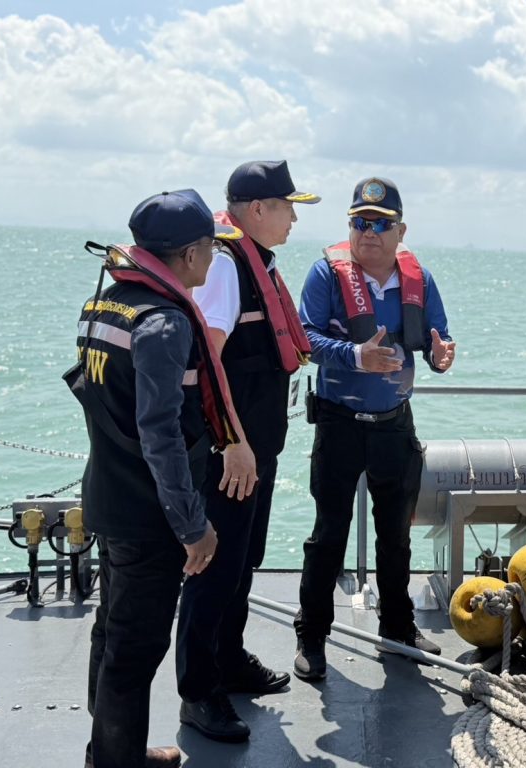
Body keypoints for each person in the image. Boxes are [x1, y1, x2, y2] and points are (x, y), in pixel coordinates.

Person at [69, 189, 247, 767]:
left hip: (108, 495)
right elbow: (161, 436)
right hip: (150, 517)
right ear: (191, 254)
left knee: (111, 633)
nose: (215, 259)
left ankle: (111, 750)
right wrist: (193, 526)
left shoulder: (105, 303)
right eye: (213, 249)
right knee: (135, 649)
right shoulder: (165, 323)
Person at [176, 161, 318, 741]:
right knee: (214, 568)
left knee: (242, 560)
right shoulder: (225, 268)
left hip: (256, 449)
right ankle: (198, 693)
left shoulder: (256, 261)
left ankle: (228, 660)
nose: (293, 220)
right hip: (230, 453)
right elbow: (210, 361)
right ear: (257, 209)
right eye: (287, 207)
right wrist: (233, 441)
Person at [293, 177, 456, 681]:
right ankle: (311, 635)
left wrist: (442, 356)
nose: (369, 232)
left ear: (400, 232)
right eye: (360, 222)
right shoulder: (326, 274)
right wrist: (355, 356)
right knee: (328, 535)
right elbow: (304, 339)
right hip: (339, 424)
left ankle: (398, 628)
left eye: (381, 224)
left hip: (393, 427)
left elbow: (439, 341)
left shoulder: (420, 280)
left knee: (395, 536)